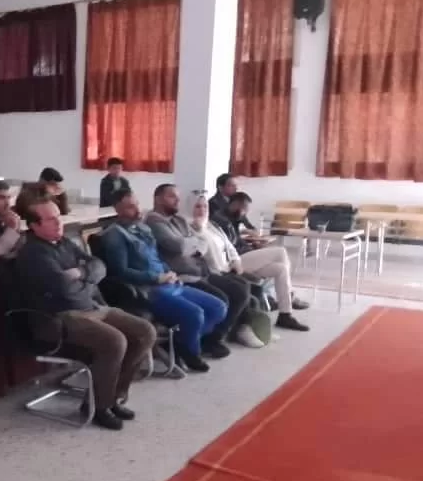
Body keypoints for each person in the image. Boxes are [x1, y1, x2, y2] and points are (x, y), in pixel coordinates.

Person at [16, 198, 156, 430]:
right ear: (34, 226)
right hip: (59, 318)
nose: (58, 223)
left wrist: (80, 273)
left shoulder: (64, 242)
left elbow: (99, 265)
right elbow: (63, 289)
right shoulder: (33, 254)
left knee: (145, 332)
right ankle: (100, 407)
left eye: (58, 217)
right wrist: (88, 281)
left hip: (91, 307)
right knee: (115, 341)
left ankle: (113, 397)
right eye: (50, 219)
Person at [97, 188, 228, 371]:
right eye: (130, 207)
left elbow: (156, 258)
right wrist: (156, 278)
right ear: (117, 209)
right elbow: (120, 271)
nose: (137, 210)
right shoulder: (114, 236)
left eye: (137, 205)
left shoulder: (142, 228)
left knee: (218, 307)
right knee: (195, 314)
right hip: (148, 290)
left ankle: (181, 344)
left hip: (168, 281)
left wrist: (169, 272)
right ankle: (191, 352)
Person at [144, 184, 249, 352]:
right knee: (225, 297)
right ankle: (207, 339)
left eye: (178, 197)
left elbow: (202, 243)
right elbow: (178, 246)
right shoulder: (154, 222)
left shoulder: (178, 220)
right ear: (157, 199)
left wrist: (191, 245)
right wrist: (191, 245)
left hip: (200, 271)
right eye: (172, 196)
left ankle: (210, 337)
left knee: (242, 287)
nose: (177, 200)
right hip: (183, 276)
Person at [200, 194, 310, 329]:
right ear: (236, 205)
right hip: (234, 261)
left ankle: (285, 315)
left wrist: (251, 241)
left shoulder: (230, 219)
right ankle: (291, 295)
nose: (245, 213)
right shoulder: (221, 220)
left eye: (205, 207)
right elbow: (230, 245)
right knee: (280, 252)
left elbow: (240, 237)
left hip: (244, 254)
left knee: (280, 268)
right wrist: (247, 241)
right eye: (244, 209)